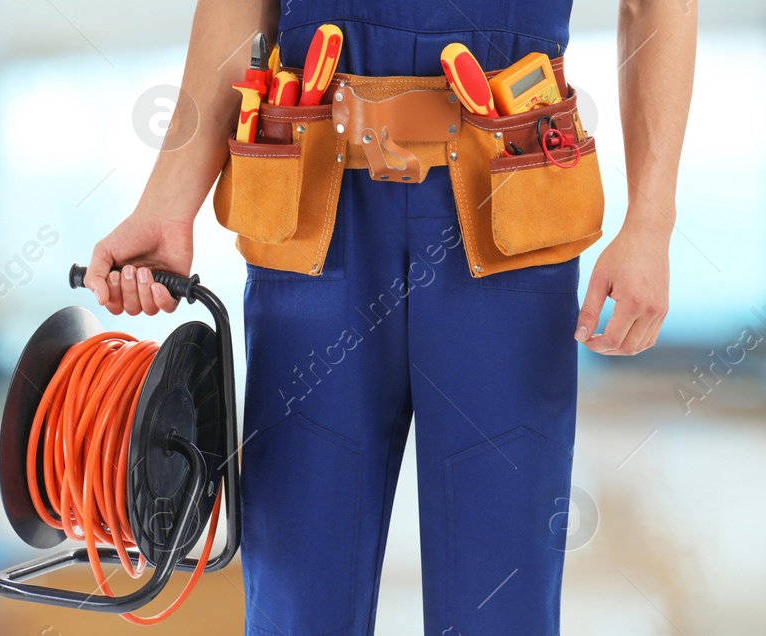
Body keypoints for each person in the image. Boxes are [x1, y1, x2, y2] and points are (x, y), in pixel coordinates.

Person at [83, 0, 695, 634]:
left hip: (506, 210)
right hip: (315, 216)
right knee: (298, 596)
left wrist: (652, 221)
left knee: (500, 599)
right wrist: (167, 204)